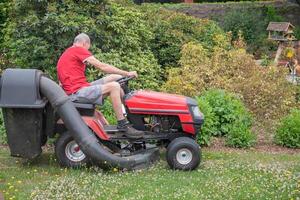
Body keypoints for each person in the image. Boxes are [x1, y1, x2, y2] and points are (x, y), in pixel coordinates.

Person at [57, 33, 144, 138]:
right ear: (85, 43)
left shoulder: (66, 54)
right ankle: (123, 124)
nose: (88, 51)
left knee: (115, 77)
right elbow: (102, 66)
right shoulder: (78, 50)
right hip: (77, 92)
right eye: (88, 48)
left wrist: (122, 75)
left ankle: (130, 113)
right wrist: (127, 73)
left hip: (80, 87)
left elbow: (61, 82)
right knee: (114, 86)